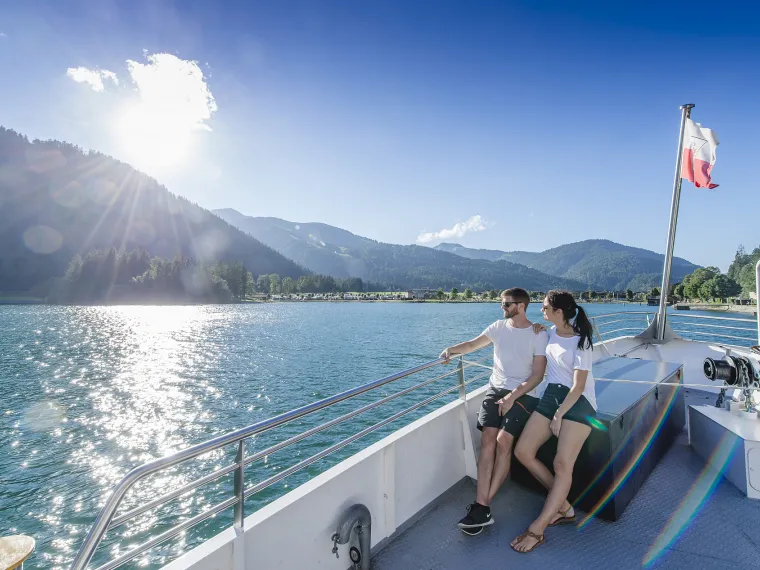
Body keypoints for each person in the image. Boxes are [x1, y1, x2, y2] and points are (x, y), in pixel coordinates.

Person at [439, 287, 548, 535]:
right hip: (495, 389)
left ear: (521, 306)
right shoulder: (498, 327)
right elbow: (472, 344)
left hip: (524, 394)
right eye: (502, 304)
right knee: (487, 440)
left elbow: (538, 375)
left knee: (502, 441)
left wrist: (511, 397)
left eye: (507, 304)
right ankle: (482, 506)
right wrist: (451, 349)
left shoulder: (538, 334)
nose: (502, 308)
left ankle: (482, 506)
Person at [510, 290, 596, 553]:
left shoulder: (582, 342)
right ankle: (563, 506)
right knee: (523, 451)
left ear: (559, 311)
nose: (542, 311)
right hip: (551, 395)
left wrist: (559, 415)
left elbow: (579, 386)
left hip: (577, 402)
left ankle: (537, 529)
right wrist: (536, 328)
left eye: (545, 308)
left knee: (561, 464)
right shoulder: (548, 332)